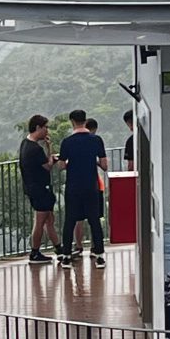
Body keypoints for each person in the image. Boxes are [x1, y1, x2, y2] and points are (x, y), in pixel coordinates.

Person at [58, 109, 107, 269]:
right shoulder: (96, 140)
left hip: (73, 187)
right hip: (91, 187)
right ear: (85, 121)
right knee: (94, 221)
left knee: (70, 221)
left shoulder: (67, 142)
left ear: (72, 122)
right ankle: (99, 256)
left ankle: (66, 257)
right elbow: (104, 165)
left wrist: (70, 163)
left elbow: (61, 166)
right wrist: (93, 162)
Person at [18, 114, 60, 263]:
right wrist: (50, 151)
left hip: (33, 187)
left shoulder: (25, 143)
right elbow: (47, 166)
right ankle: (35, 252)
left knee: (49, 219)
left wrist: (48, 151)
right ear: (38, 127)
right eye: (45, 127)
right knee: (40, 221)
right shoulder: (35, 149)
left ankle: (59, 249)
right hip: (40, 189)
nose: (47, 130)